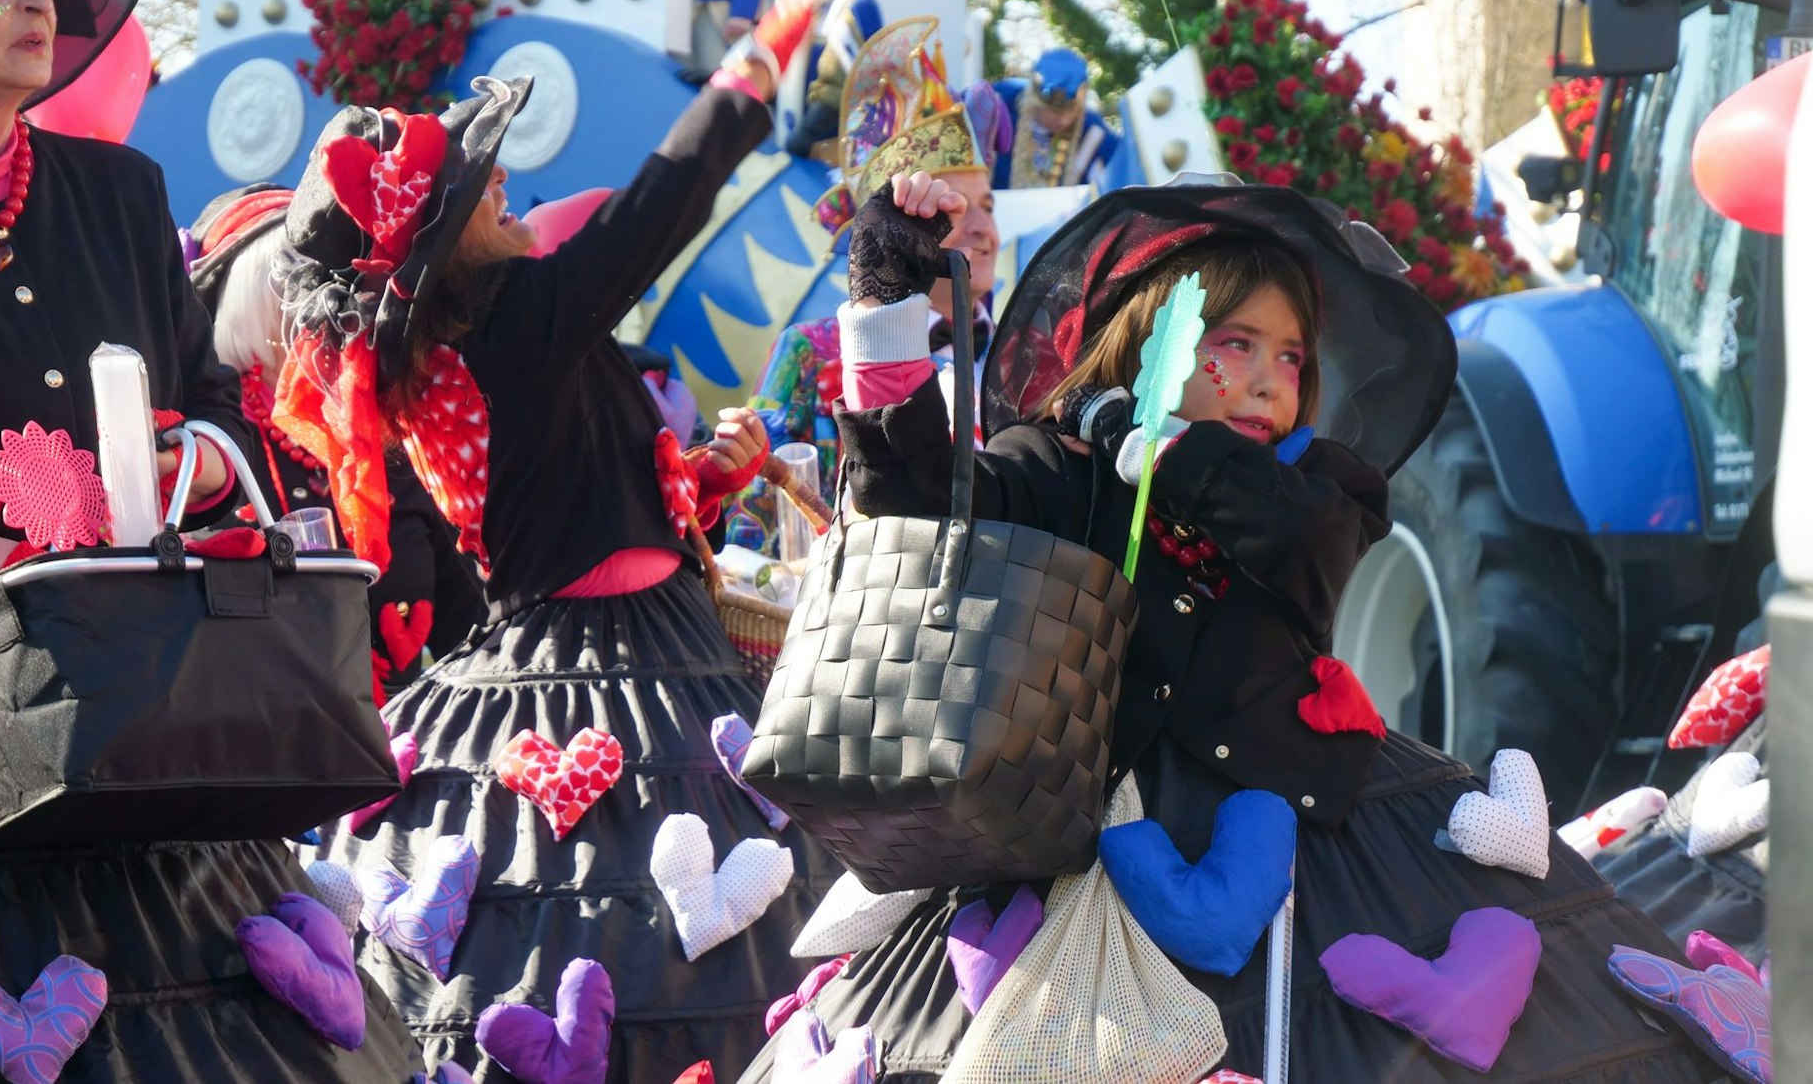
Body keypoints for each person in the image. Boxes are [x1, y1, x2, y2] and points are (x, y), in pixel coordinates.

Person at [735, 173, 1717, 1081]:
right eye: (1232, 342)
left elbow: (1295, 542)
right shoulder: (1054, 464)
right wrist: (883, 304)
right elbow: (913, 503)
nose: (1265, 379)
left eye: (1288, 356)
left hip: (1309, 835)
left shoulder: (1323, 486)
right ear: (1145, 338)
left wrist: (1157, 446)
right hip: (1080, 838)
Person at [0, 0, 424, 1075]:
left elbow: (211, 406)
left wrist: (171, 469)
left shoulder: (124, 191)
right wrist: (14, 572)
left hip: (133, 688)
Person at [272, 0, 841, 1081]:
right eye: (476, 189)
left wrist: (702, 480)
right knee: (641, 934)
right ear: (445, 244)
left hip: (562, 646)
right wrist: (756, 65)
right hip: (630, 657)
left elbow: (571, 496)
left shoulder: (440, 365)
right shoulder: (514, 320)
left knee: (555, 915)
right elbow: (656, 211)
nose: (499, 187)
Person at [187, 183, 483, 699]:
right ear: (254, 308)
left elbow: (470, 624)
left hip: (396, 751)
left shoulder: (388, 445)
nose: (334, 310)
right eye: (304, 290)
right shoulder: (213, 454)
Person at [725, 16, 1007, 555]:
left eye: (988, 206)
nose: (980, 227)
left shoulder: (1025, 357)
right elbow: (753, 523)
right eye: (954, 204)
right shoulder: (811, 352)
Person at [776, 0, 878, 159]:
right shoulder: (796, 1)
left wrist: (808, 131)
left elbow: (845, 85)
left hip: (832, 156)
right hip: (791, 143)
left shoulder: (856, 4)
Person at [992, 47, 1117, 190]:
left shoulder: (1093, 131)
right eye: (1055, 112)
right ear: (1035, 101)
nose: (1064, 120)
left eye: (1072, 112)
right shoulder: (998, 105)